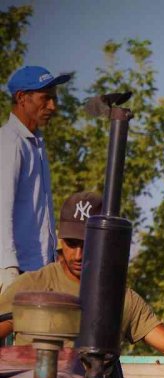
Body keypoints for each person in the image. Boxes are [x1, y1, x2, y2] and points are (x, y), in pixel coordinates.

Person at [0, 192, 164, 365]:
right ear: (60, 240)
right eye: (71, 243)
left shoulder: (122, 298)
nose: (78, 254)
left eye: (87, 244)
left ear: (104, 243)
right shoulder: (30, 287)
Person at [0, 66, 73, 292]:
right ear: (22, 98)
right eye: (46, 98)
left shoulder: (36, 144)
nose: (53, 106)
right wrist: (7, 268)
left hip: (37, 271)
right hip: (15, 271)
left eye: (54, 99)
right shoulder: (9, 142)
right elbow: (1, 207)